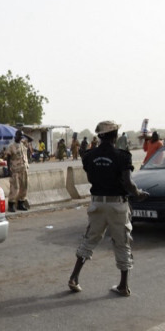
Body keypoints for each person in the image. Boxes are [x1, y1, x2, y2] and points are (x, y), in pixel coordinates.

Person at [68, 121, 149, 297]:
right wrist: (139, 193)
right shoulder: (122, 156)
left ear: (100, 136)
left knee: (90, 239)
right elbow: (127, 183)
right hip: (117, 205)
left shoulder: (89, 156)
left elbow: (91, 179)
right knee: (122, 242)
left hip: (97, 202)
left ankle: (74, 277)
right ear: (114, 135)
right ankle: (123, 285)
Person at [4, 130, 29, 212]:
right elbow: (8, 158)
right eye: (19, 136)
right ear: (16, 136)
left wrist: (24, 134)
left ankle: (20, 204)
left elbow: (31, 140)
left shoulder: (23, 144)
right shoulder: (11, 146)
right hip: (15, 169)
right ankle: (11, 204)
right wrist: (8, 170)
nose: (21, 138)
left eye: (21, 137)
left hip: (23, 169)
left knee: (24, 187)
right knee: (15, 187)